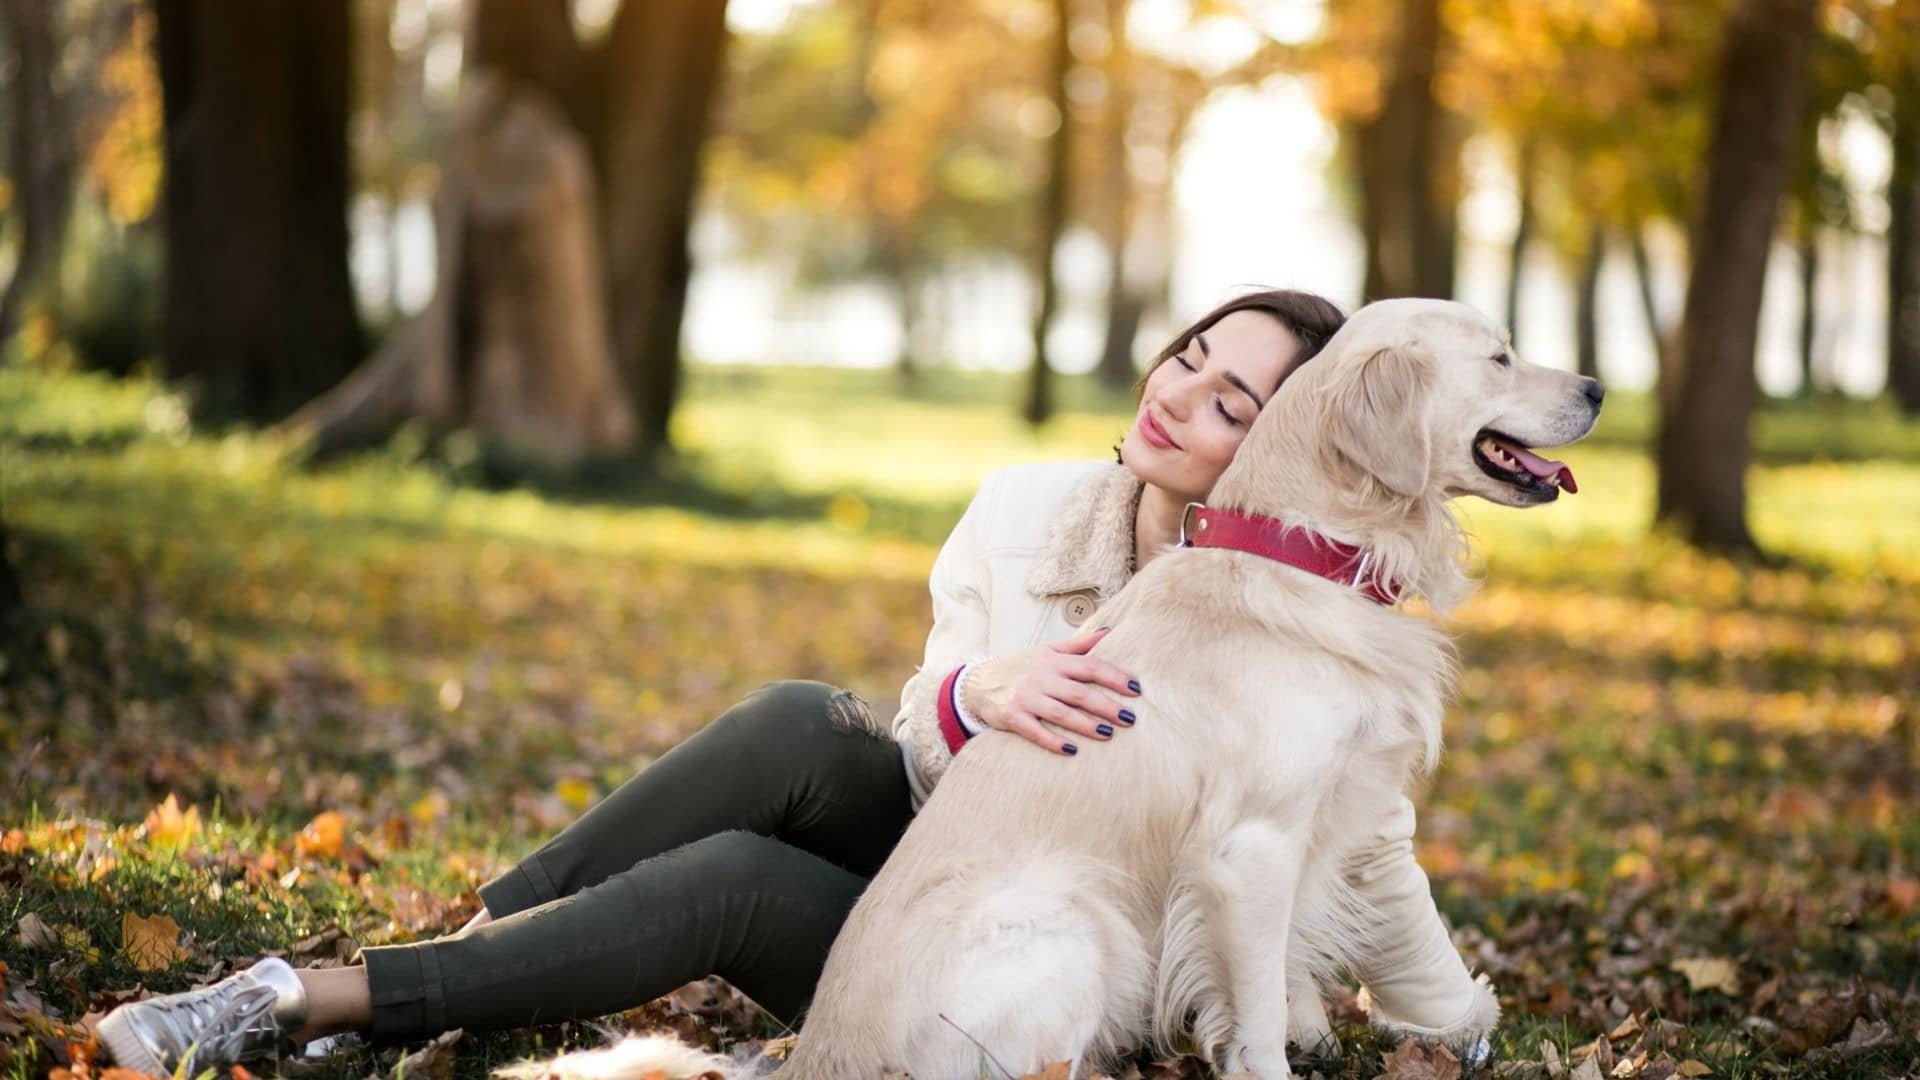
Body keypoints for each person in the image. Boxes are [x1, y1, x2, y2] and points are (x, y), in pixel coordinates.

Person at [99, 288, 1494, 1076]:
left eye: (1233, 401)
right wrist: (980, 696)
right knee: (792, 724)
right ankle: (480, 948)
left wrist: (1456, 1023)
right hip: (948, 853)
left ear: (1278, 443)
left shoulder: (1281, 619)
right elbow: (923, 750)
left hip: (1053, 969)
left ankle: (304, 1003)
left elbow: (1352, 839)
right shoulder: (1027, 510)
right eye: (1189, 357)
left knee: (738, 887)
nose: (1179, 397)